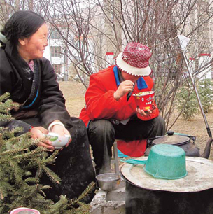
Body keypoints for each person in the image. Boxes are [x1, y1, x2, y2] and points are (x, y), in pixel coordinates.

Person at [0, 10, 96, 202]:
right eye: (42, 36)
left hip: (39, 118)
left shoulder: (42, 65)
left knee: (76, 128)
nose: (46, 42)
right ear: (22, 39)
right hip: (9, 126)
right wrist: (26, 131)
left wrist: (56, 123)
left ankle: (75, 193)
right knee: (27, 143)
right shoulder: (1, 63)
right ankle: (39, 196)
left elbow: (52, 97)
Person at [80, 42, 165, 175]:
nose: (137, 77)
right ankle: (104, 171)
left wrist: (144, 113)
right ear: (123, 68)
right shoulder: (100, 79)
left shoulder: (145, 81)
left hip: (129, 124)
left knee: (158, 122)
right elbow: (92, 111)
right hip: (107, 127)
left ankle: (153, 163)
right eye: (133, 73)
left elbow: (150, 108)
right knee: (101, 127)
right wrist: (115, 96)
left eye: (139, 73)